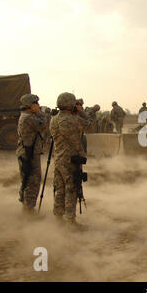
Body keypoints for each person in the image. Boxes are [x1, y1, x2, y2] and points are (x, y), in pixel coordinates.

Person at [50, 92, 92, 227]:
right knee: (71, 188)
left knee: (60, 188)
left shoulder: (54, 119)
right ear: (70, 105)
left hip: (59, 157)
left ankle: (58, 217)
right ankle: (70, 220)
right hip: (71, 159)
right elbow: (90, 124)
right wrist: (81, 112)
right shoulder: (72, 119)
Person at [16, 94, 49, 215]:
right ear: (30, 105)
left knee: (28, 179)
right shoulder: (29, 118)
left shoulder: (26, 116)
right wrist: (40, 113)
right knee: (33, 180)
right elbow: (44, 125)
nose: (38, 106)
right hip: (29, 153)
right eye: (36, 104)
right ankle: (29, 210)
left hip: (27, 151)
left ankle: (27, 207)